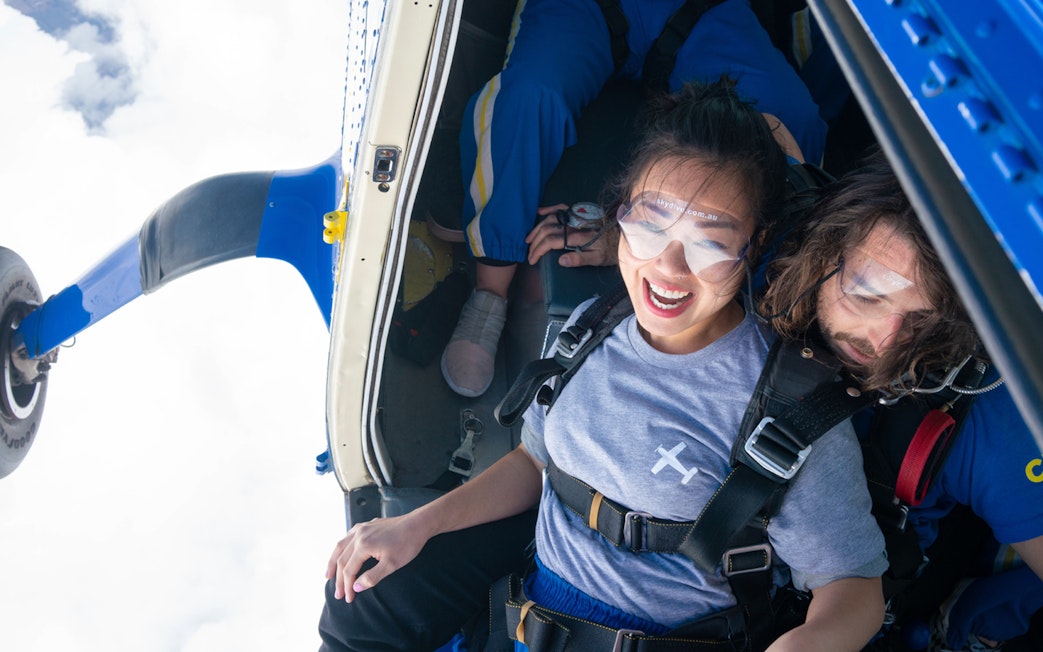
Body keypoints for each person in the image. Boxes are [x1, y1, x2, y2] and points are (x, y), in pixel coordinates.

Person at [319, 80, 887, 652]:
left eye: (710, 243)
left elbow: (854, 587)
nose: (668, 266)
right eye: (650, 223)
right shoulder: (594, 324)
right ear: (621, 213)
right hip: (526, 616)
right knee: (357, 605)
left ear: (754, 244)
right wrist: (419, 524)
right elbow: (535, 460)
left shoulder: (787, 405)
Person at [531, 148, 1043, 650]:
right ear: (821, 253)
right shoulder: (768, 253)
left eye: (923, 322)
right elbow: (735, 159)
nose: (885, 341)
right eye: (865, 295)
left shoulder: (987, 412)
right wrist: (638, 237)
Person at [441, 0, 829, 397]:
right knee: (527, 96)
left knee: (794, 120)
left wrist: (634, 233)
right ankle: (490, 293)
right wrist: (638, 230)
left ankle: (745, 330)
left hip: (707, 9)